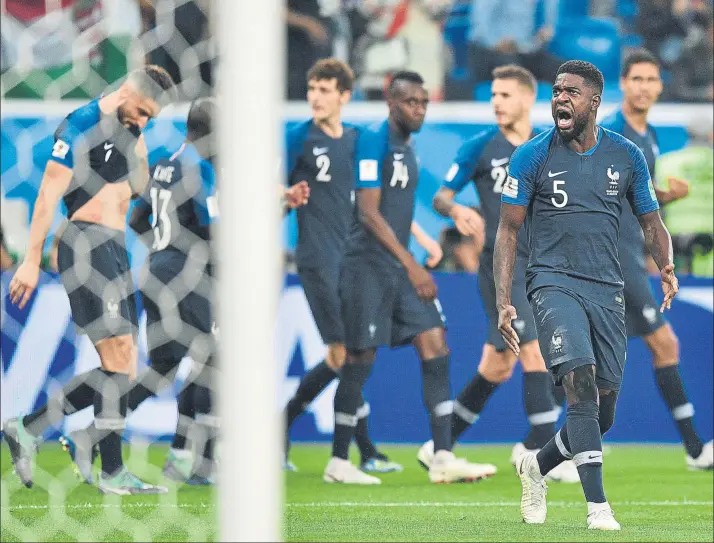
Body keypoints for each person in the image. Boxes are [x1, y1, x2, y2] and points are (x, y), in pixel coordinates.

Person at [495, 60, 679, 530]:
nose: (561, 98)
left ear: (593, 102)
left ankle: (537, 465)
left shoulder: (626, 155)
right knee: (579, 378)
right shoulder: (532, 155)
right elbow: (508, 231)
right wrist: (504, 300)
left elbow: (650, 220)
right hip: (552, 282)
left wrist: (666, 265)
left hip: (607, 287)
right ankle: (598, 507)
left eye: (571, 92)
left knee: (603, 409)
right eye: (556, 90)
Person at [3, 65, 177, 494]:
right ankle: (112, 470)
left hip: (114, 249)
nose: (143, 120)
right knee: (118, 361)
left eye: (151, 117)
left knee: (123, 365)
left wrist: (139, 134)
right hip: (85, 246)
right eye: (141, 111)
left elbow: (137, 187)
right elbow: (47, 192)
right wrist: (29, 260)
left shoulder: (131, 131)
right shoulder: (81, 125)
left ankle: (28, 428)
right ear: (125, 91)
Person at [324, 70, 497, 485]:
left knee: (435, 343)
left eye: (423, 102)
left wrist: (419, 243)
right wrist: (414, 263)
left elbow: (397, 210)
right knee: (360, 358)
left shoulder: (407, 146)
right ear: (391, 101)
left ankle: (442, 456)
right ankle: (338, 461)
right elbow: (368, 213)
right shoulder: (372, 140)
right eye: (410, 102)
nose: (418, 109)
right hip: (365, 266)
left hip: (397, 266)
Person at [283, 59, 440, 474]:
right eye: (311, 88)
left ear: (344, 96)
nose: (315, 97)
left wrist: (422, 238)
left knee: (351, 354)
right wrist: (285, 197)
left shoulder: (356, 140)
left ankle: (359, 450)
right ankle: (292, 430)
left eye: (324, 89)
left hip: (353, 260)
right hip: (319, 259)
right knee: (345, 353)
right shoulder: (297, 137)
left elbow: (378, 200)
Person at [423, 65, 578, 483]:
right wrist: (456, 209)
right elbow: (440, 195)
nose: (496, 102)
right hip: (504, 268)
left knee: (497, 367)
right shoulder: (480, 147)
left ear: (528, 99)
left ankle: (439, 445)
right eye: (493, 95)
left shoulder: (552, 147)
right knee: (537, 355)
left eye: (505, 95)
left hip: (545, 266)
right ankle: (540, 453)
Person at [600, 49, 712, 469]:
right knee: (662, 344)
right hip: (611, 260)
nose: (644, 87)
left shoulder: (647, 135)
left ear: (660, 86)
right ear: (623, 84)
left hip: (630, 256)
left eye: (651, 80)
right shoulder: (609, 131)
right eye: (637, 80)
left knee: (603, 356)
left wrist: (666, 197)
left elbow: (635, 196)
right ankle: (695, 449)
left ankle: (558, 442)